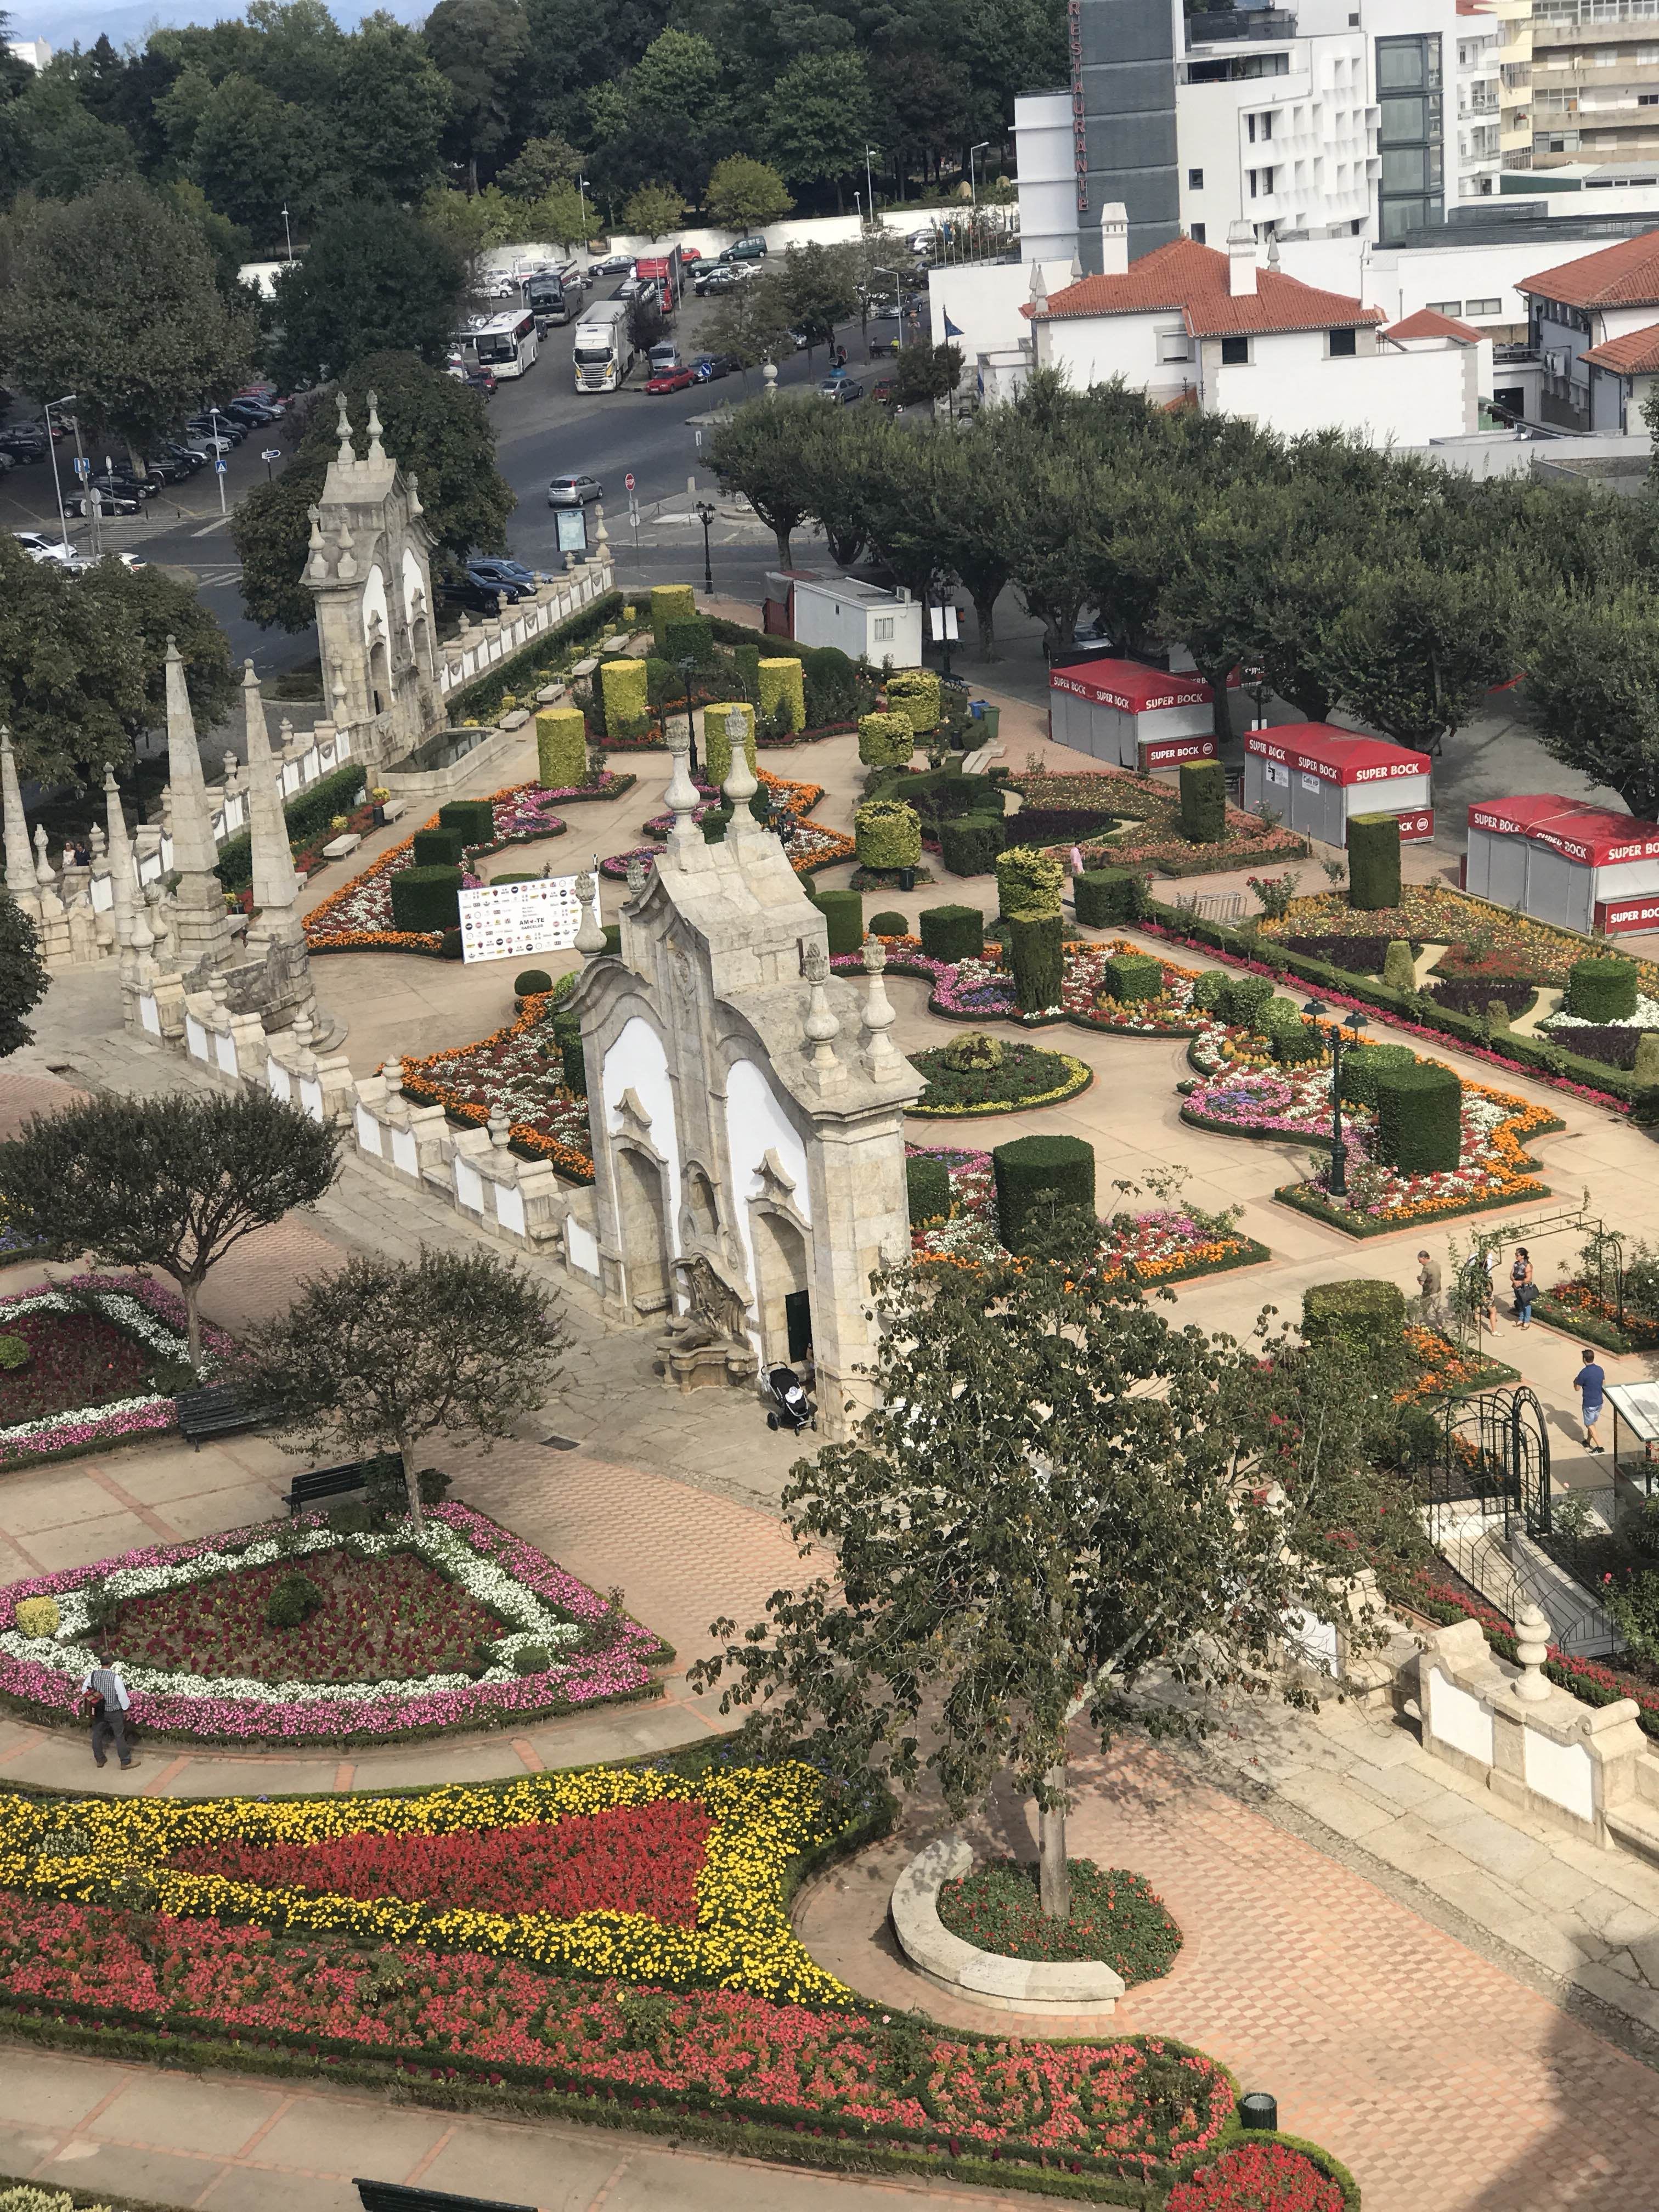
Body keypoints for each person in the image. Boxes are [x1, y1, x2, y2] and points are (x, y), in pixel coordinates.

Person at [78, 1651, 135, 1769]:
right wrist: (126, 1710)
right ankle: (125, 1762)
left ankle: (100, 1759)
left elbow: (84, 1690)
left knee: (97, 1734)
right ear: (111, 1662)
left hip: (99, 1710)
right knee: (119, 1735)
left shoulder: (93, 1675)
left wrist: (96, 1697)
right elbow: (122, 1696)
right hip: (114, 1711)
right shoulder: (115, 1678)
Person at [1576, 1347, 1607, 1454]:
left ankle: (1600, 1447)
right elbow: (1603, 1383)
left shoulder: (1584, 1373)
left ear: (1584, 1359)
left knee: (1589, 1424)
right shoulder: (1600, 1369)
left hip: (1589, 1403)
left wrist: (1575, 1382)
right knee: (1593, 1423)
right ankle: (1587, 1441)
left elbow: (1577, 1388)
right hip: (1599, 1402)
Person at [1510, 1245, 1536, 1328]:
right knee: (1520, 1303)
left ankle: (1527, 1321)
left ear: (1522, 1256)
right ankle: (1521, 1319)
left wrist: (1520, 1282)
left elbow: (1529, 1278)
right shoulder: (1516, 1264)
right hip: (1516, 1287)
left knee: (1526, 1304)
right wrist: (1514, 1281)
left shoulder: (1528, 1265)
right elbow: (1511, 1274)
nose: (1516, 1256)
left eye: (1517, 1255)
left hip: (1525, 1288)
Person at [1417, 1249, 1442, 1317]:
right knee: (1438, 1309)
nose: (1420, 1263)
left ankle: (1419, 1325)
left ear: (1424, 1258)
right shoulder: (1437, 1264)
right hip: (1438, 1291)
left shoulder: (1426, 1268)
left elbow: (1422, 1282)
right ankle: (1441, 1324)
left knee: (1422, 1310)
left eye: (1420, 1261)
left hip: (1429, 1293)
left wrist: (1419, 1278)